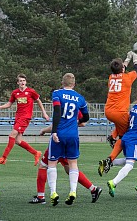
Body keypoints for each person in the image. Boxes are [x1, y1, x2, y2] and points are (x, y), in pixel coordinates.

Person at [29, 112, 102, 204]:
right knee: (70, 169)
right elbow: (83, 123)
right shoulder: (75, 104)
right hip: (70, 141)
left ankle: (41, 196)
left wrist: (43, 130)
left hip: (58, 141)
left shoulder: (61, 105)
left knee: (43, 165)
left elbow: (54, 126)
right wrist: (71, 125)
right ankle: (93, 189)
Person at [47, 73, 89, 206]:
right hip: (73, 134)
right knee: (73, 164)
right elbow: (86, 118)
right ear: (74, 84)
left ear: (62, 82)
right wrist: (77, 121)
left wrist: (54, 131)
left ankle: (53, 192)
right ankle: (73, 191)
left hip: (59, 134)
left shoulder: (57, 94)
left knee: (52, 163)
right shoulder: (80, 98)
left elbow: (57, 112)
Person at [0, 73, 50, 165]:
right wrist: (0, 107)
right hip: (18, 117)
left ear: (26, 82)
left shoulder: (31, 91)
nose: (22, 82)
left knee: (12, 135)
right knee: (18, 141)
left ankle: (3, 158)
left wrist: (44, 112)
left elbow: (38, 101)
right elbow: (9, 104)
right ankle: (36, 153)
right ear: (17, 82)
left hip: (25, 117)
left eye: (23, 80)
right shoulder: (15, 93)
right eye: (20, 81)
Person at [98, 51, 137, 176]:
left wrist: (127, 58)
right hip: (120, 113)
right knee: (125, 137)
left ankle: (112, 136)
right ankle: (109, 160)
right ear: (122, 68)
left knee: (121, 129)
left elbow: (122, 68)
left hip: (109, 111)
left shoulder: (111, 77)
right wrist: (136, 60)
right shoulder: (127, 78)